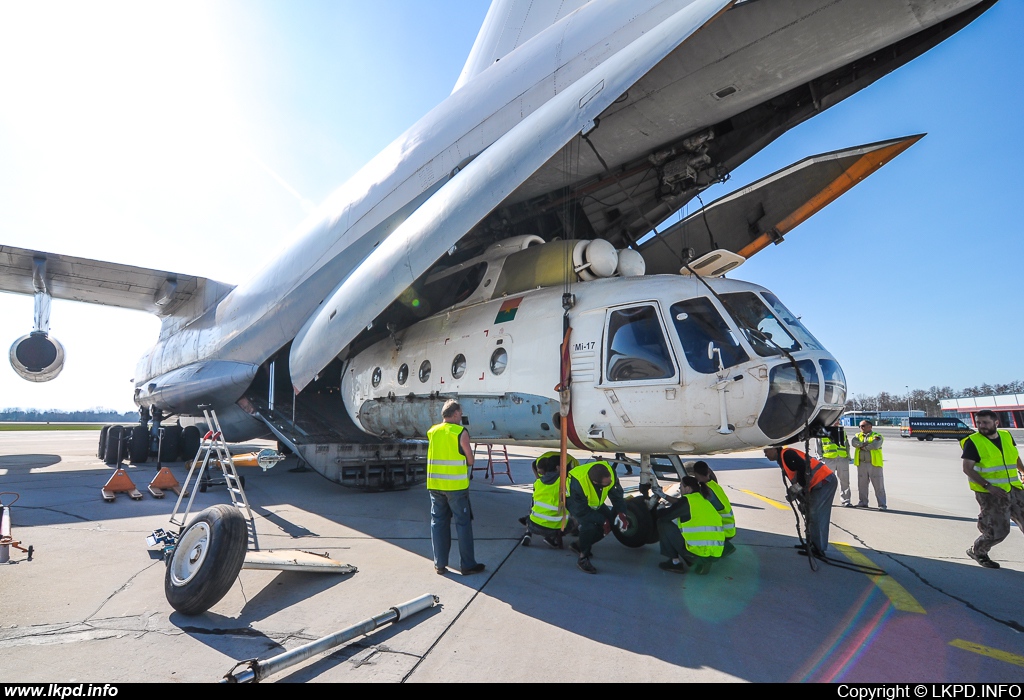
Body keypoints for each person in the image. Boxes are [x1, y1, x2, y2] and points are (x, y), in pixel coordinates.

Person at [426, 399, 485, 576]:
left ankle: (440, 564)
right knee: (463, 524)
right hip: (456, 487)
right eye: (460, 413)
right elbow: (470, 459)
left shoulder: (433, 431)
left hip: (435, 485)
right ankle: (467, 564)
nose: (461, 416)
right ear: (455, 414)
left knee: (438, 523)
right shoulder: (460, 432)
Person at [960, 409, 1024, 569]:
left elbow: (1014, 456)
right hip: (990, 493)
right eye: (979, 423)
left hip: (1014, 488)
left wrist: (1023, 470)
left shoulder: (1006, 436)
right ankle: (978, 551)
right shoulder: (973, 442)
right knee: (999, 531)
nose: (982, 426)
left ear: (996, 423)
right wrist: (988, 487)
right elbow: (967, 468)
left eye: (986, 422)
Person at [764, 446, 837, 557]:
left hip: (824, 481)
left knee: (816, 515)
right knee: (809, 513)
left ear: (774, 449)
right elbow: (798, 476)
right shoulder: (782, 459)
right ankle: (811, 544)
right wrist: (801, 497)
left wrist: (798, 488)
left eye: (766, 451)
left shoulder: (787, 455)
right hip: (816, 484)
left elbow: (804, 468)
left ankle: (818, 549)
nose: (765, 454)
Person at [566, 460, 629, 574]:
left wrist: (622, 513)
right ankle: (583, 557)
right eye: (606, 484)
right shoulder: (578, 483)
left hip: (594, 502)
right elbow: (582, 512)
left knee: (610, 522)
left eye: (610, 481)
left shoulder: (609, 473)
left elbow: (617, 496)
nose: (610, 484)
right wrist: (601, 520)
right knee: (590, 526)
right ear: (595, 482)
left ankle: (578, 544)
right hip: (576, 504)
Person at [655, 475, 725, 574]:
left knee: (663, 522)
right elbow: (680, 504)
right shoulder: (703, 500)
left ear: (687, 488)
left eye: (681, 486)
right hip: (715, 553)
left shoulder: (687, 501)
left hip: (698, 552)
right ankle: (702, 563)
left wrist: (659, 509)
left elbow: (666, 515)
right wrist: (664, 495)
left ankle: (675, 563)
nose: (679, 489)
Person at [520, 451, 578, 548]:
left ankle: (528, 533)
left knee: (533, 505)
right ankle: (553, 538)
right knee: (577, 518)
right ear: (558, 467)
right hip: (553, 528)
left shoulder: (537, 483)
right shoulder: (565, 482)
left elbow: (534, 465)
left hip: (533, 524)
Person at [692, 461, 736, 555]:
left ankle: (705, 558)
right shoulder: (714, 485)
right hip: (730, 529)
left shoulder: (704, 492)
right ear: (708, 472)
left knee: (691, 526)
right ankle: (726, 546)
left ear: (695, 474)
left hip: (723, 531)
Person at [851, 420, 886, 509]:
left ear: (869, 426)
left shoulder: (877, 436)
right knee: (862, 485)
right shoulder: (857, 435)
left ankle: (882, 504)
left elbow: (875, 445)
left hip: (874, 464)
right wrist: (864, 444)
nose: (861, 428)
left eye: (863, 426)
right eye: (860, 426)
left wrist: (863, 447)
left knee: (878, 485)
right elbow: (854, 443)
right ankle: (863, 502)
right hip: (861, 464)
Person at [816, 421, 852, 507]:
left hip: (842, 459)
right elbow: (818, 446)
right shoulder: (822, 432)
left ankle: (846, 501)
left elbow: (847, 444)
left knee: (845, 481)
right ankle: (825, 501)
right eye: (835, 420)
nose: (837, 422)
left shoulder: (842, 431)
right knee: (826, 482)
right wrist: (821, 459)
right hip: (828, 460)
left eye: (838, 420)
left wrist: (848, 457)